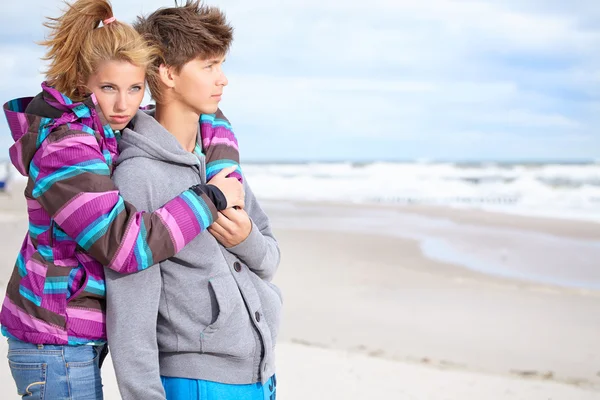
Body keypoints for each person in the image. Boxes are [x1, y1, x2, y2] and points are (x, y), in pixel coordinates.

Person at [2, 0, 244, 398]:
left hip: (76, 336)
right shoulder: (66, 150)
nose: (123, 104)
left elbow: (206, 117)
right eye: (109, 88)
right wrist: (209, 198)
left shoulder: (105, 126)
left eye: (134, 89)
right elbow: (124, 246)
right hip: (54, 340)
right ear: (84, 84)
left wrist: (224, 168)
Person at [105, 2, 281, 399]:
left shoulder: (216, 161)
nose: (223, 80)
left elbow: (270, 259)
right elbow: (130, 313)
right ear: (167, 73)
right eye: (209, 66)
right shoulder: (139, 174)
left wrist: (245, 238)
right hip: (198, 384)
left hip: (259, 375)